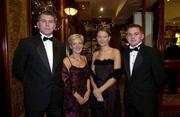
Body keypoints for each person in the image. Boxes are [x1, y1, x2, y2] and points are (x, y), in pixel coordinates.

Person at [12, 10, 66, 117]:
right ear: (38, 24)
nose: (47, 24)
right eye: (43, 21)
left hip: (56, 96)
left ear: (54, 25)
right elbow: (17, 69)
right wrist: (32, 82)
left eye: (50, 21)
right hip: (34, 96)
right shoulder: (27, 43)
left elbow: (61, 70)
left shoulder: (61, 46)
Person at [122, 24, 167, 117]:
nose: (132, 37)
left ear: (142, 36)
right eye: (129, 34)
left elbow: (161, 78)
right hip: (129, 101)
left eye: (136, 34)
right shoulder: (124, 54)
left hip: (146, 101)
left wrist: (149, 92)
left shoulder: (152, 52)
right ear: (126, 37)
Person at [90, 26, 121, 117]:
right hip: (97, 90)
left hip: (111, 90)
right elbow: (92, 74)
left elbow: (116, 74)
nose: (102, 39)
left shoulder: (116, 52)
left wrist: (100, 90)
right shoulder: (95, 54)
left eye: (104, 37)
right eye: (99, 37)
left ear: (109, 38)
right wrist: (95, 89)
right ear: (96, 38)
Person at [62, 34, 91, 117]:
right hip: (72, 97)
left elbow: (87, 77)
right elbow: (66, 83)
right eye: (74, 44)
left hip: (85, 95)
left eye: (80, 43)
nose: (77, 46)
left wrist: (88, 91)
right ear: (71, 46)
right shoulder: (67, 60)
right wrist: (78, 97)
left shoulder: (84, 58)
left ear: (82, 45)